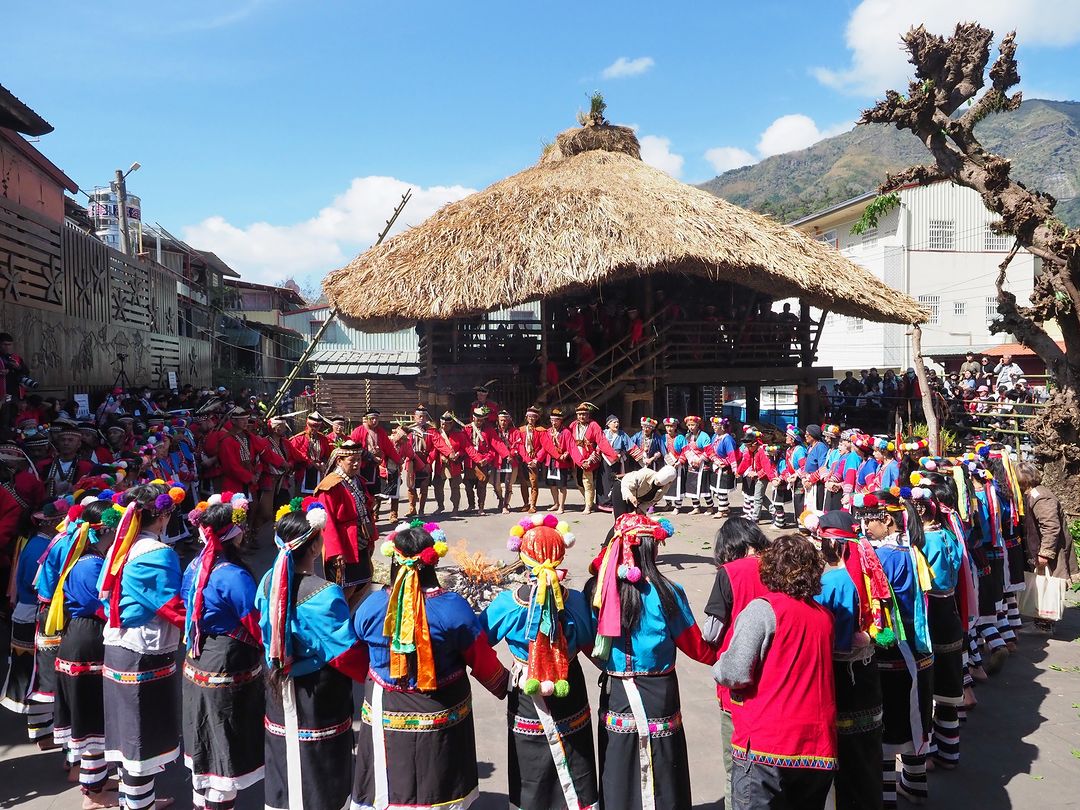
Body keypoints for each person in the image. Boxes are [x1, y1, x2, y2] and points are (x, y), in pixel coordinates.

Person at [352, 523, 509, 809]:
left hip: (385, 706)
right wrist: (504, 684)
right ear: (432, 560)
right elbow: (480, 657)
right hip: (440, 708)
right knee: (437, 783)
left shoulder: (371, 606)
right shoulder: (452, 608)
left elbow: (357, 652)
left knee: (390, 783)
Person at [588, 512, 715, 809]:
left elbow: (587, 641)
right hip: (660, 692)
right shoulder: (668, 591)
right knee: (663, 760)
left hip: (616, 691)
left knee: (619, 761)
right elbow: (694, 645)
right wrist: (724, 659)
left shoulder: (598, 591)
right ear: (651, 549)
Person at [257, 503, 368, 810]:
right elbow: (344, 652)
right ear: (317, 544)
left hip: (278, 682)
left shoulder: (268, 582)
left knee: (285, 759)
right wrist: (375, 674)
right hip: (317, 692)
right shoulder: (324, 592)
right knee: (320, 767)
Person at [482, 516, 598, 810]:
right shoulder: (574, 602)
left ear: (521, 557)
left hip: (525, 687)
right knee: (575, 753)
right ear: (562, 554)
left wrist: (499, 679)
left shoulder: (508, 603)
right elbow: (589, 638)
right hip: (568, 681)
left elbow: (479, 639)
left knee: (530, 761)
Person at [715, 534, 838, 810]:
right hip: (817, 748)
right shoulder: (824, 618)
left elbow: (735, 671)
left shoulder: (763, 610)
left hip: (766, 744)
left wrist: (718, 666)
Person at [97, 482, 187, 810]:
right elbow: (171, 605)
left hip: (122, 645)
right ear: (162, 516)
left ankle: (139, 800)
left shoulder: (122, 547)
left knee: (130, 734)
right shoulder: (157, 553)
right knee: (140, 735)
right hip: (142, 650)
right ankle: (137, 805)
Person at [852, 491, 934, 808]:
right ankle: (915, 786)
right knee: (913, 722)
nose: (863, 526)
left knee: (887, 727)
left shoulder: (884, 557)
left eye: (868, 520)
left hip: (894, 652)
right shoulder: (911, 550)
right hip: (918, 647)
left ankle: (885, 796)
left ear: (886, 519)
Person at [182, 497, 264, 810]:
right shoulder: (233, 575)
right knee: (223, 741)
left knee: (203, 734)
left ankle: (202, 803)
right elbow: (254, 623)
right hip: (227, 662)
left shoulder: (195, 565)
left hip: (199, 656)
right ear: (234, 534)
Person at [806, 510, 885, 810]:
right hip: (867, 672)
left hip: (841, 676)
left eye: (821, 541)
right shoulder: (868, 573)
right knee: (867, 755)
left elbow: (826, 637)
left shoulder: (831, 583)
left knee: (845, 759)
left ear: (835, 546)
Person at [50, 499, 120, 809]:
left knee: (91, 715)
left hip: (81, 638)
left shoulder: (86, 560)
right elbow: (102, 607)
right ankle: (93, 795)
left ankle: (94, 781)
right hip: (87, 640)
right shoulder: (91, 565)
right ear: (104, 530)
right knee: (92, 718)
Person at [702, 518, 771, 782]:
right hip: (775, 678)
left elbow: (712, 632)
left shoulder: (730, 572)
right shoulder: (779, 565)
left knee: (736, 768)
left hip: (738, 682)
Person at [2, 504, 60, 748]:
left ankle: (42, 732)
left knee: (35, 676)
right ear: (46, 523)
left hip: (27, 613)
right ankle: (41, 732)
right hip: (31, 614)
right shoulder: (38, 546)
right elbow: (35, 583)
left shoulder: (37, 543)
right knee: (36, 676)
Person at [1018, 462, 1080, 635]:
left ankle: (1044, 626)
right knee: (1042, 585)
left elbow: (1051, 527)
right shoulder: (1035, 494)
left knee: (1047, 585)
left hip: (1052, 551)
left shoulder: (1041, 497)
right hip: (1043, 548)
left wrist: (1045, 553)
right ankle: (1041, 623)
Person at [315, 440, 378, 606]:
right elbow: (327, 523)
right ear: (339, 461)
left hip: (360, 540)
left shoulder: (357, 480)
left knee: (363, 582)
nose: (357, 464)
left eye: (359, 459)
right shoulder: (330, 486)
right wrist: (336, 552)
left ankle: (348, 617)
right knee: (346, 588)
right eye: (352, 461)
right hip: (344, 544)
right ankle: (339, 621)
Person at [568, 402, 618, 515]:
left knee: (587, 482)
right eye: (579, 414)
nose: (582, 417)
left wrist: (612, 455)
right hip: (576, 457)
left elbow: (601, 441)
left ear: (588, 415)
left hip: (589, 457)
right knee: (578, 482)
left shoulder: (594, 425)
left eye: (584, 414)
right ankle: (587, 500)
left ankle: (588, 506)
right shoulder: (573, 426)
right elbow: (570, 443)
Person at [349, 409, 401, 504]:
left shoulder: (380, 432)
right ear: (367, 419)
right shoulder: (358, 431)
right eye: (372, 419)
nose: (374, 421)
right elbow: (353, 448)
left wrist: (397, 460)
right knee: (361, 491)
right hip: (360, 466)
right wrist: (371, 457)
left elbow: (389, 448)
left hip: (374, 466)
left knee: (374, 493)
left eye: (376, 419)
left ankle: (372, 514)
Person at [463, 406, 498, 514]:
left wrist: (487, 459)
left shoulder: (489, 430)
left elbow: (493, 448)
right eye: (478, 420)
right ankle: (471, 505)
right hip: (470, 461)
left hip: (483, 461)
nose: (479, 422)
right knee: (468, 484)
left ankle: (481, 507)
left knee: (481, 485)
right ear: (473, 418)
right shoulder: (466, 429)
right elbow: (464, 445)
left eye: (482, 420)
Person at [430, 412, 465, 514]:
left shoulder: (458, 434)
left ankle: (455, 507)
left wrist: (459, 453)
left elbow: (464, 448)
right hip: (441, 464)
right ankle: (440, 506)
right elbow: (434, 448)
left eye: (446, 424)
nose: (443, 426)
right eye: (442, 424)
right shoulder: (437, 434)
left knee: (455, 486)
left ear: (451, 424)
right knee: (438, 486)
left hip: (454, 464)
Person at [539, 407, 573, 514]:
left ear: (560, 420)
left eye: (556, 420)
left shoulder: (566, 432)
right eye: (552, 420)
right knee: (552, 484)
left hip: (561, 461)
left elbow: (570, 446)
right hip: (551, 461)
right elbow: (545, 447)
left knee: (562, 485)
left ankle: (562, 506)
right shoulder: (548, 432)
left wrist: (565, 454)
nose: (553, 422)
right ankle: (556, 503)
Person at [289, 412, 331, 495]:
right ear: (307, 424)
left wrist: (324, 464)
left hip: (319, 474)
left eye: (317, 426)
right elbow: (293, 456)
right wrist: (311, 463)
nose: (314, 428)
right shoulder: (298, 439)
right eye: (312, 426)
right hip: (303, 474)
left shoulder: (323, 439)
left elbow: (327, 455)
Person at [402, 407, 434, 517]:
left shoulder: (431, 431)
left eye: (424, 416)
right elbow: (404, 446)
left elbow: (435, 448)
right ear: (414, 417)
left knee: (424, 487)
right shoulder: (408, 431)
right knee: (411, 486)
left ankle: (421, 509)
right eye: (419, 416)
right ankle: (412, 508)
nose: (421, 418)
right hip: (411, 461)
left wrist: (429, 462)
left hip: (425, 460)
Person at [491, 409, 522, 513]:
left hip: (510, 460)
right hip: (498, 460)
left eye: (505, 420)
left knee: (508, 484)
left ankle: (505, 504)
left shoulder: (515, 432)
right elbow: (493, 445)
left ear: (508, 421)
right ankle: (500, 499)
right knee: (496, 484)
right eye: (501, 420)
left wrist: (512, 454)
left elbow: (518, 445)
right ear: (498, 420)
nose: (503, 422)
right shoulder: (494, 432)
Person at [600, 414, 633, 510]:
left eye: (617, 422)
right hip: (605, 461)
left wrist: (621, 453)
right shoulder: (603, 433)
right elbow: (598, 445)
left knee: (615, 481)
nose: (616, 424)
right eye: (614, 422)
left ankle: (615, 502)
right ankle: (604, 503)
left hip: (617, 461)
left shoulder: (622, 434)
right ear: (608, 424)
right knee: (604, 481)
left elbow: (630, 446)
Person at [708, 417, 739, 518]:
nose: (714, 428)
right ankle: (725, 507)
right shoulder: (715, 437)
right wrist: (714, 459)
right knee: (717, 490)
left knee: (721, 490)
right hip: (717, 465)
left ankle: (721, 510)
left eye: (716, 426)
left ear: (722, 427)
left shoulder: (727, 439)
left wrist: (734, 469)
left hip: (725, 467)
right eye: (713, 426)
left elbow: (732, 455)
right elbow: (711, 450)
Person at [681, 416, 713, 515]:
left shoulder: (704, 436)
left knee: (704, 487)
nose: (691, 427)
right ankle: (696, 507)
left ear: (698, 425)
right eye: (689, 425)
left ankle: (710, 507)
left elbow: (708, 450)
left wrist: (699, 459)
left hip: (703, 464)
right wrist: (690, 459)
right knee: (692, 486)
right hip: (692, 464)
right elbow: (685, 450)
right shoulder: (687, 436)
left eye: (693, 425)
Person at [516, 406, 545, 514]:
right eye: (529, 417)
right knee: (523, 482)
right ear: (526, 417)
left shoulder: (541, 430)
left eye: (534, 417)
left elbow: (544, 446)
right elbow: (520, 446)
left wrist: (536, 460)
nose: (531, 419)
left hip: (535, 460)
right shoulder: (521, 430)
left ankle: (533, 504)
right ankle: (525, 503)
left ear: (537, 418)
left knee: (534, 482)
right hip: (524, 459)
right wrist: (527, 459)